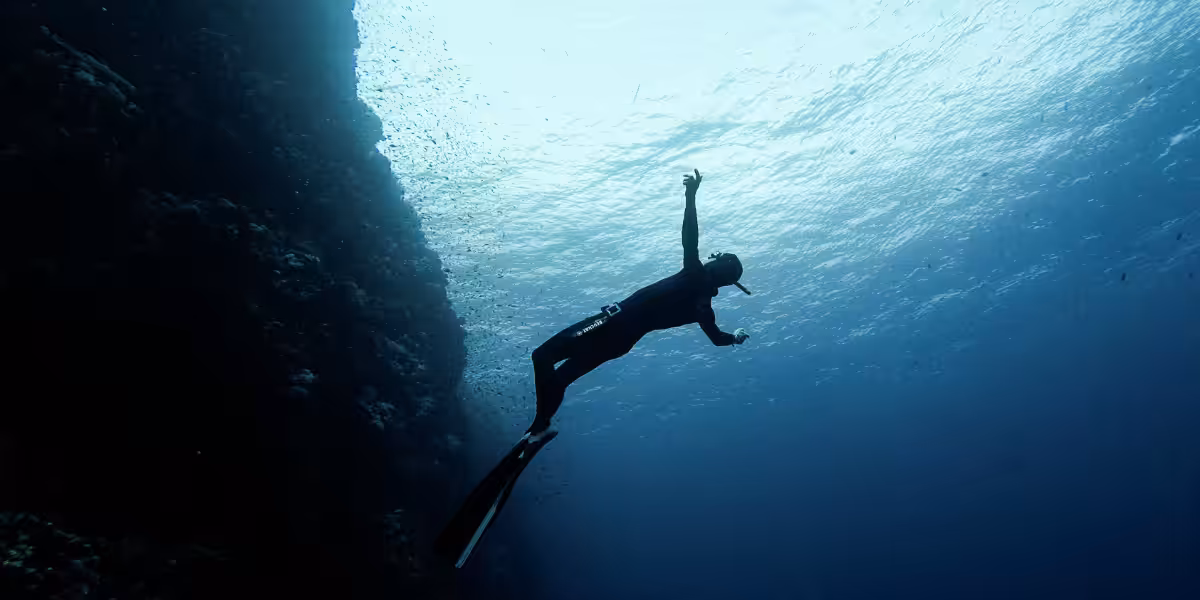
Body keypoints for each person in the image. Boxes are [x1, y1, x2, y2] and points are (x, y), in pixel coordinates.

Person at [526, 169, 752, 438]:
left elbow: (690, 235)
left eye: (716, 258)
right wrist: (734, 339)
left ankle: (541, 423)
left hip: (608, 322)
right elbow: (716, 338)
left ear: (719, 266)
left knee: (542, 356)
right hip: (621, 343)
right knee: (561, 378)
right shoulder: (704, 307)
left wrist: (690, 195)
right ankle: (541, 426)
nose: (709, 258)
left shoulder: (695, 273)